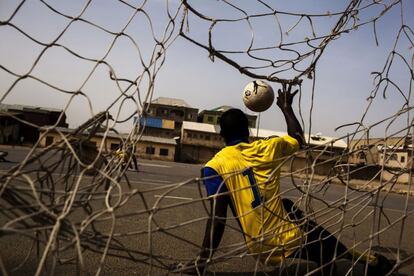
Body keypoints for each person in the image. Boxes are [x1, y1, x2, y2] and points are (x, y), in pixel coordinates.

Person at [175, 84, 394, 275]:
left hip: (258, 244)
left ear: (221, 134)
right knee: (330, 245)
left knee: (288, 206)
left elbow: (218, 219)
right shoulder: (267, 148)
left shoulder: (214, 166)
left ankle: (334, 261)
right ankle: (371, 263)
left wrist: (200, 263)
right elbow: (298, 138)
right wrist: (286, 108)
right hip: (286, 237)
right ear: (248, 132)